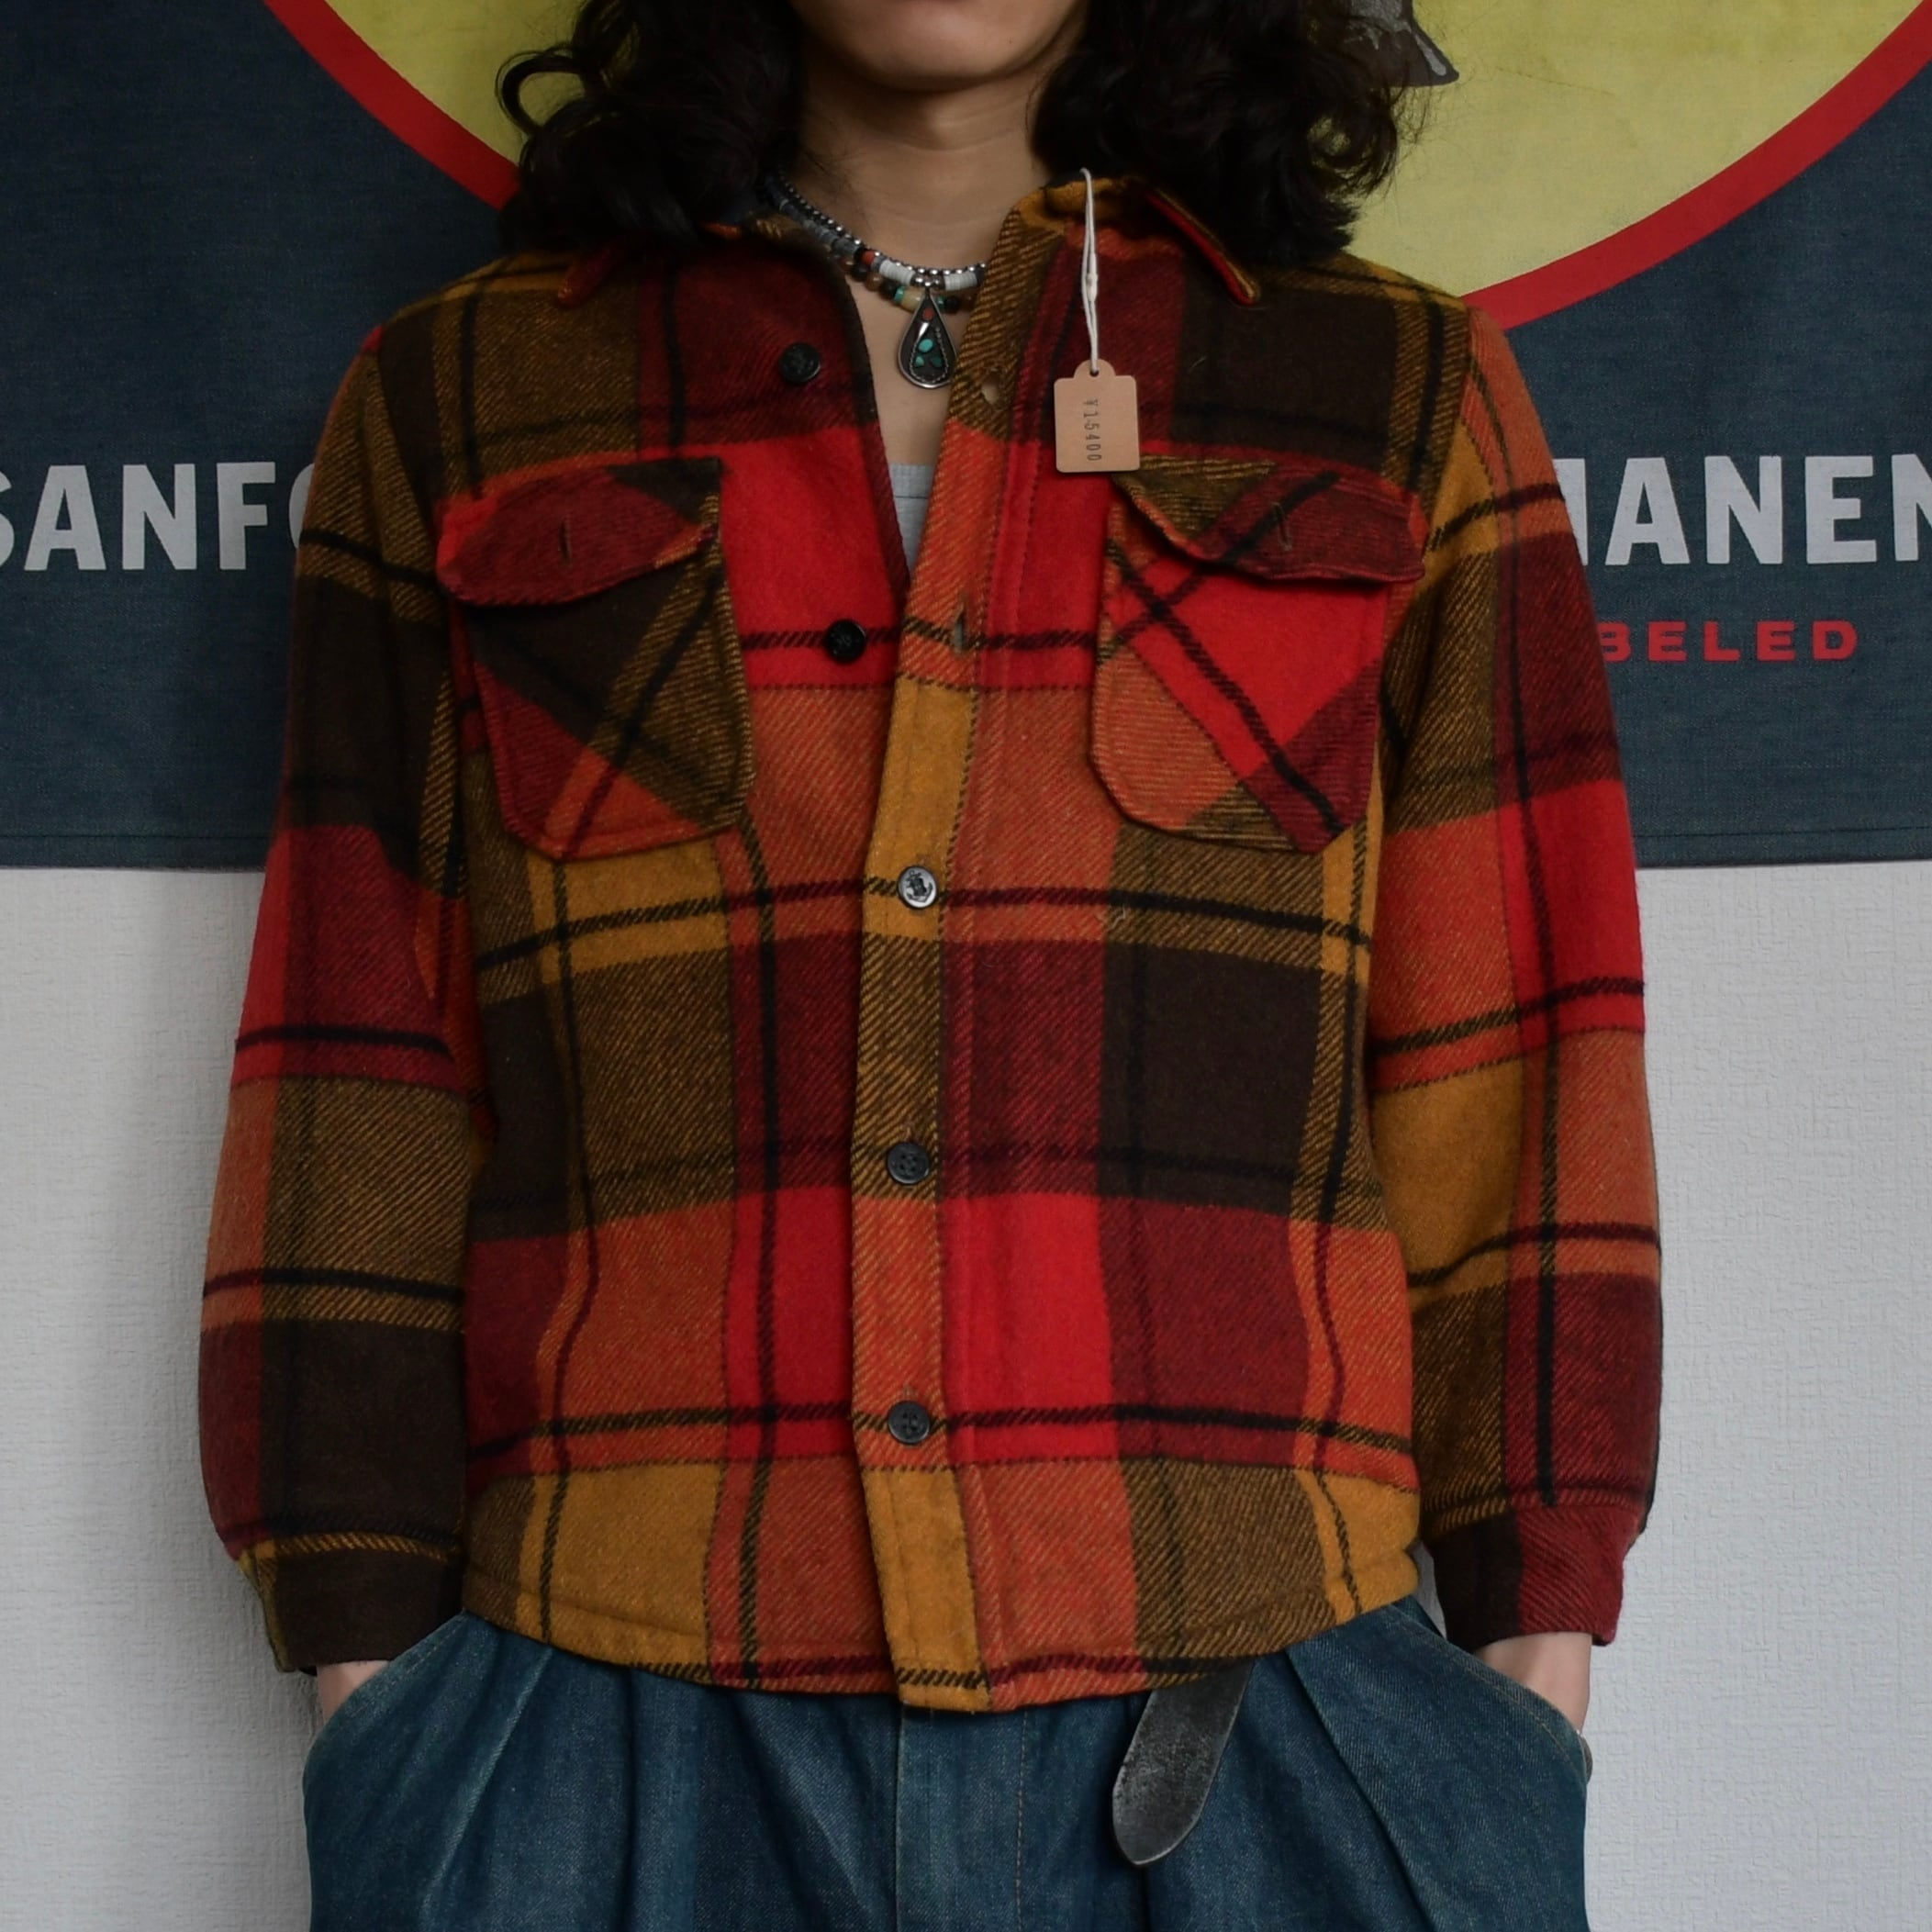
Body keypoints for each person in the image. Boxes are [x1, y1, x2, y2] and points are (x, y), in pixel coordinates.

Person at [197, 0, 1663, 1925]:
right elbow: (359, 1054)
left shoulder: (1395, 390)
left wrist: (1523, 1665)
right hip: (605, 1707)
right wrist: (374, 1674)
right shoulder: (466, 396)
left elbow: (1524, 1056)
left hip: (1273, 1712)